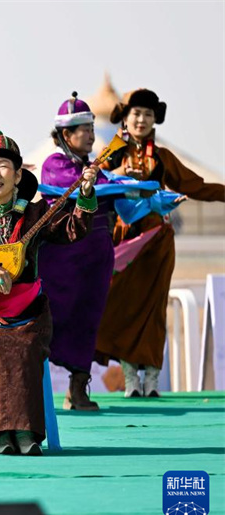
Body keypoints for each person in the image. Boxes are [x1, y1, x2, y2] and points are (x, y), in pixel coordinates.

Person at [0, 130, 98, 455]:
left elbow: (74, 230)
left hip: (28, 313)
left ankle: (26, 433)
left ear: (17, 175)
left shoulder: (35, 214)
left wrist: (84, 194)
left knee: (18, 345)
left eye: (3, 166)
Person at [95, 89, 225, 398]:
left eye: (148, 114)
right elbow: (92, 184)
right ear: (125, 119)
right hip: (123, 243)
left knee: (154, 309)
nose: (141, 119)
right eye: (136, 113)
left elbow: (196, 186)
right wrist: (117, 173)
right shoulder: (111, 154)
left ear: (155, 120)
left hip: (157, 243)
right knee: (121, 307)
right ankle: (130, 378)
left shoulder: (163, 158)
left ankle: (151, 379)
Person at [38, 92, 113, 411]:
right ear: (65, 135)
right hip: (63, 259)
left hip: (96, 258)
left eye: (92, 127)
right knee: (52, 318)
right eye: (83, 128)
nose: (90, 134)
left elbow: (111, 192)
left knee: (88, 318)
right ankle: (29, 392)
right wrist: (98, 183)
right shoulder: (54, 165)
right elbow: (82, 189)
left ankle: (78, 390)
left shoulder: (94, 168)